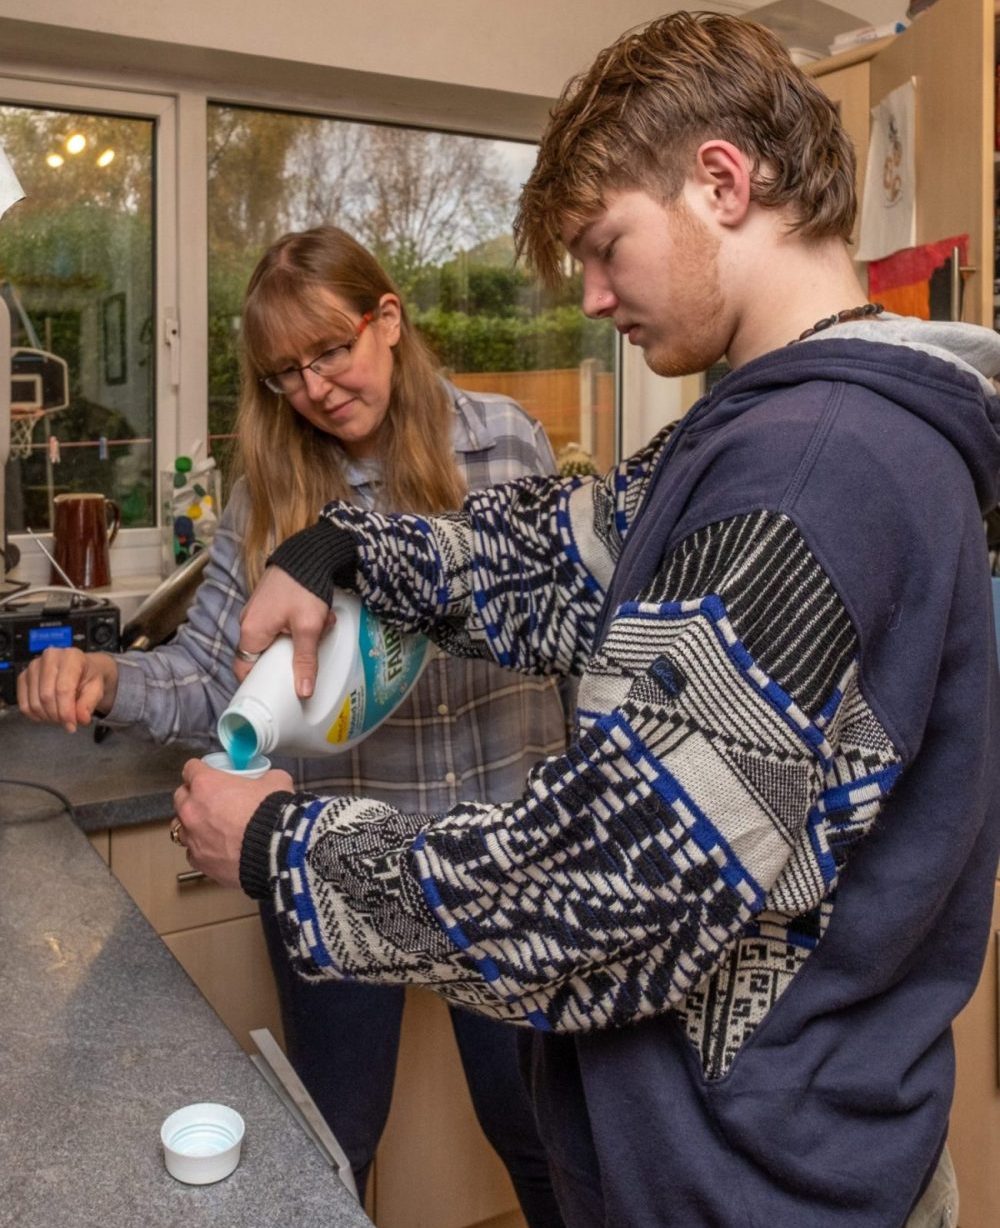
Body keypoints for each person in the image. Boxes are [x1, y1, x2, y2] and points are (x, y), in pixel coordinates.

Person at [171, 13, 1000, 1227]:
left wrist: (280, 850)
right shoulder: (758, 433)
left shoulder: (812, 472)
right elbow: (568, 550)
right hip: (740, 1147)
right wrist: (343, 539)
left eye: (606, 246)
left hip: (752, 1183)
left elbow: (605, 886)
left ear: (723, 180)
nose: (594, 296)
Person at [17, 225, 568, 1224]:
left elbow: (560, 627)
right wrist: (107, 675)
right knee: (333, 1140)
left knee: (535, 1130)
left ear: (387, 321)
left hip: (497, 855)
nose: (313, 386)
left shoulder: (506, 444)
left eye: (330, 350)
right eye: (284, 372)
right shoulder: (265, 495)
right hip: (331, 862)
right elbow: (204, 684)